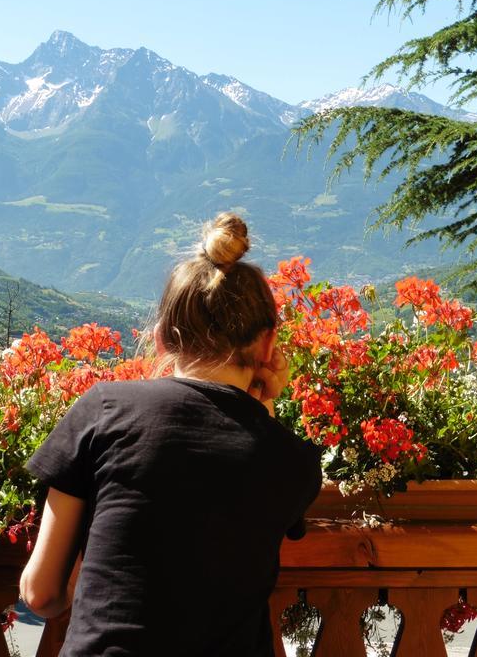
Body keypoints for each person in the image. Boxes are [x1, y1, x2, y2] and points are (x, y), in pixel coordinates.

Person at [19, 212, 323, 656]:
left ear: (162, 338)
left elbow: (41, 595)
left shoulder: (104, 410)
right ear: (267, 344)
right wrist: (264, 401)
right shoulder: (292, 460)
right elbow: (250, 457)